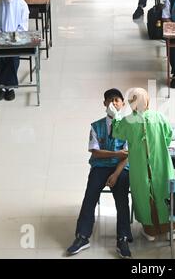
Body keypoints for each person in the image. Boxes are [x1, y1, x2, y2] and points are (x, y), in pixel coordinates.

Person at [108, 88, 175, 241]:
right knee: (164, 191)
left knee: (144, 194)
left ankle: (150, 231)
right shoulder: (159, 117)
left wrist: (116, 116)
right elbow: (168, 136)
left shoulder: (128, 121)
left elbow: (117, 132)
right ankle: (172, 228)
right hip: (160, 164)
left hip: (139, 168)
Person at [66, 88, 133, 259]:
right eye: (110, 100)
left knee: (122, 199)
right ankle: (82, 236)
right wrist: (115, 154)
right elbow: (94, 152)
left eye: (117, 100)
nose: (113, 103)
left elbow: (128, 155)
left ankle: (123, 238)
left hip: (120, 168)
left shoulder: (129, 126)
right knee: (90, 195)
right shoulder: (96, 126)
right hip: (100, 166)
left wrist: (116, 174)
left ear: (123, 104)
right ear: (104, 104)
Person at [0, 0, 29, 101]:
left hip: (17, 40)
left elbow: (23, 27)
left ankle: (3, 87)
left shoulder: (22, 6)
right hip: (3, 40)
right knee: (0, 57)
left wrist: (13, 37)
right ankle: (9, 88)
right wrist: (2, 36)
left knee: (13, 58)